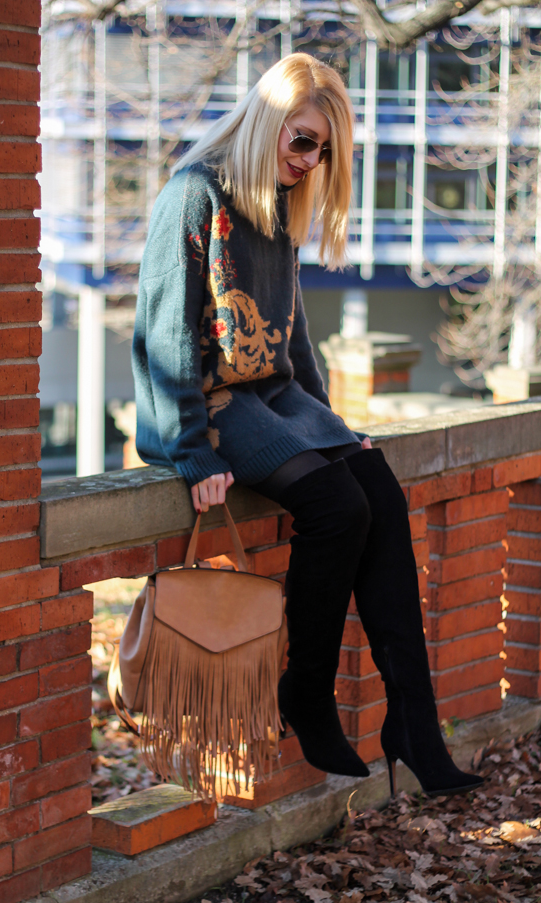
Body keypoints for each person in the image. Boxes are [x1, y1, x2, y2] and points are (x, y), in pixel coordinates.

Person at [132, 53, 482, 797]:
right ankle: (306, 689)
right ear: (266, 123)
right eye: (303, 141)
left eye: (323, 150)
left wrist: (331, 425)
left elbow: (292, 336)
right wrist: (192, 454)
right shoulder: (195, 194)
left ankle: (413, 722)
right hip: (208, 401)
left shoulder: (277, 204)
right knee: (337, 507)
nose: (310, 161)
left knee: (379, 490)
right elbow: (165, 332)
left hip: (270, 396)